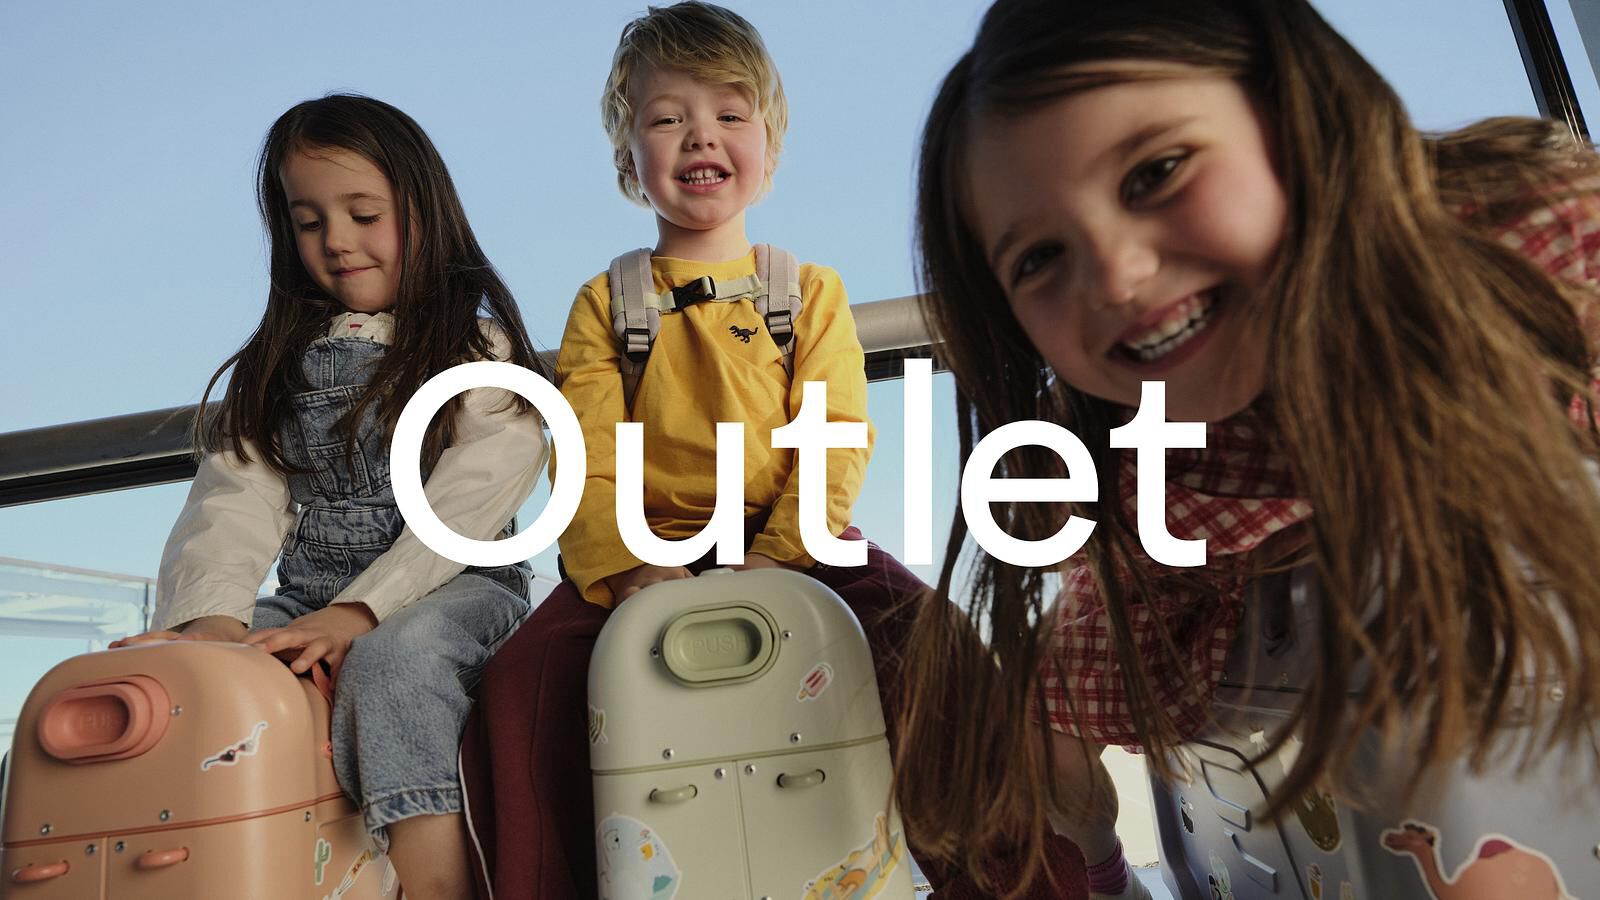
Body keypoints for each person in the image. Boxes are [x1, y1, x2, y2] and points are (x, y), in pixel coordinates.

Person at [891, 1, 1600, 897]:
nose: (1114, 275)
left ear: (1298, 115)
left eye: (1157, 172)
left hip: (1485, 541)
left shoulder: (1515, 236)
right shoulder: (1131, 454)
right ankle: (1103, 875)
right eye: (1037, 260)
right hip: (1192, 598)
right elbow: (1062, 525)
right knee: (1037, 719)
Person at [457, 3, 1087, 898]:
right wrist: (629, 568)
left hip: (795, 543)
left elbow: (834, 436)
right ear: (629, 160)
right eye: (666, 118)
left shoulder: (808, 293)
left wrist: (775, 554)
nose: (698, 136)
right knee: (524, 688)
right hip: (645, 559)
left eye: (728, 114)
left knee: (940, 658)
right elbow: (584, 450)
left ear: (770, 145)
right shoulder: (607, 302)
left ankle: (1026, 883)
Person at [109, 94, 548, 900]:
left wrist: (362, 611)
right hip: (308, 596)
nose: (336, 240)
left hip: (459, 592)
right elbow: (233, 498)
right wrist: (208, 625)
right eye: (309, 222)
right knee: (187, 681)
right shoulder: (279, 363)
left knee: (391, 667)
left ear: (425, 211)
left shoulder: (478, 350)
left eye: (362, 213)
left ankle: (439, 886)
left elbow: (472, 501)